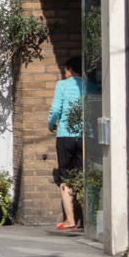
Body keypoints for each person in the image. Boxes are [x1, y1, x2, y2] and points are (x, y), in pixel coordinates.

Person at [48, 55, 85, 230]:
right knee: (83, 176)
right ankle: (88, 219)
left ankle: (70, 220)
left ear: (69, 69)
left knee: (66, 176)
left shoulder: (62, 85)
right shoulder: (89, 85)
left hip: (65, 136)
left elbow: (56, 109)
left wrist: (51, 124)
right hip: (84, 136)